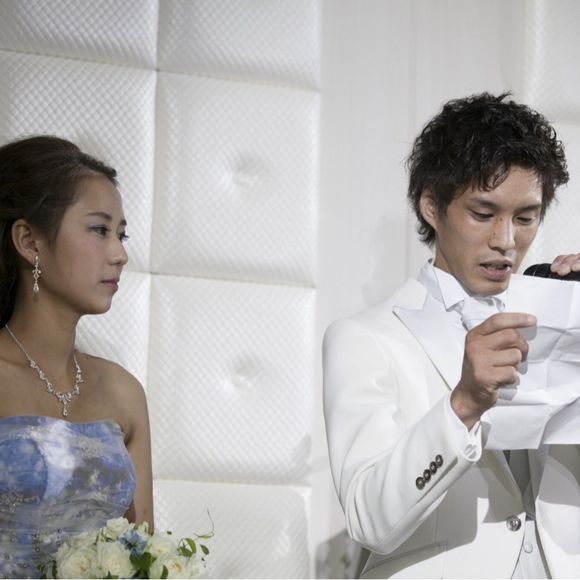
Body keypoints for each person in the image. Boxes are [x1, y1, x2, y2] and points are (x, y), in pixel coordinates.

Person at [323, 93, 580, 578]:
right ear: (431, 206)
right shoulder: (364, 338)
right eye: (483, 214)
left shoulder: (557, 313)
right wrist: (464, 404)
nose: (506, 241)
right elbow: (368, 518)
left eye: (525, 218)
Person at [0, 135, 153, 578]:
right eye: (99, 230)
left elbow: (146, 556)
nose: (120, 254)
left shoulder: (123, 393)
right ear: (29, 241)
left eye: (121, 234)